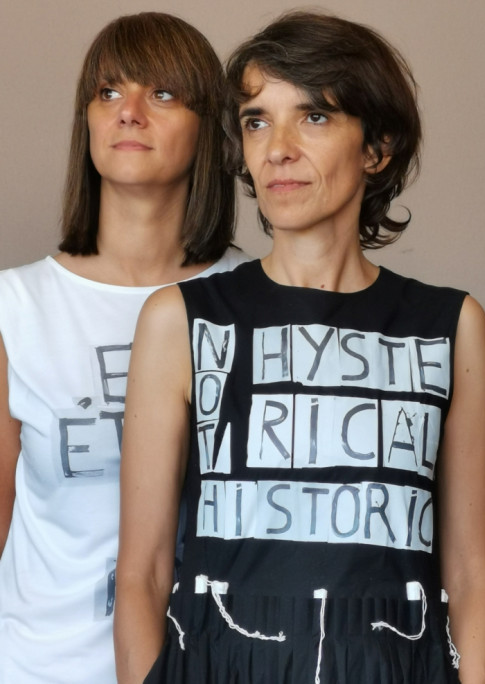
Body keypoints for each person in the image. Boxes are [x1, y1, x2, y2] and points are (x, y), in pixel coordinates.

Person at [115, 10, 485, 684]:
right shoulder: (180, 320)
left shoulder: (449, 325)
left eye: (314, 116)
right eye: (257, 121)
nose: (278, 149)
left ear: (377, 147)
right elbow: (142, 573)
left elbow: (469, 572)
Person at [0, 12, 248, 684]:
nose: (129, 111)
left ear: (210, 129)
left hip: (216, 663)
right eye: (108, 91)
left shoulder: (255, 299)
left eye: (162, 93)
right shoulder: (15, 308)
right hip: (40, 667)